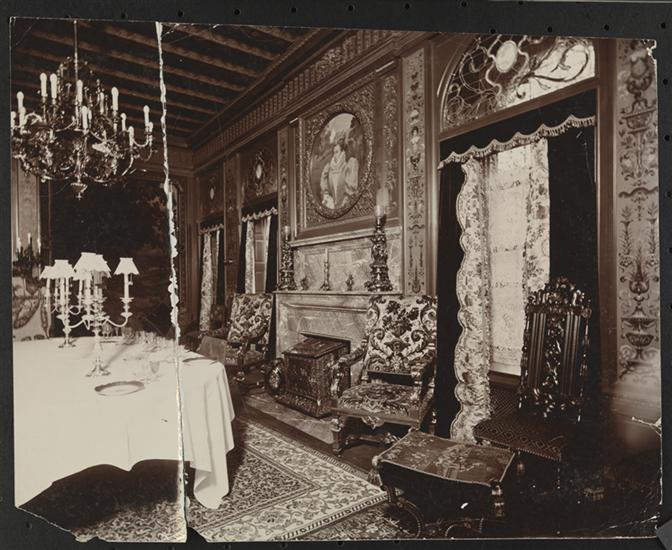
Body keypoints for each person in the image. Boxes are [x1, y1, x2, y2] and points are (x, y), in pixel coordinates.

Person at [320, 138, 359, 208]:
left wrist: (344, 205)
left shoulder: (349, 165)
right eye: (334, 152)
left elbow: (351, 191)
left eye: (337, 152)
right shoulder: (329, 168)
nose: (334, 155)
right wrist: (327, 198)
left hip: (346, 207)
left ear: (342, 152)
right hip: (334, 208)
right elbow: (325, 187)